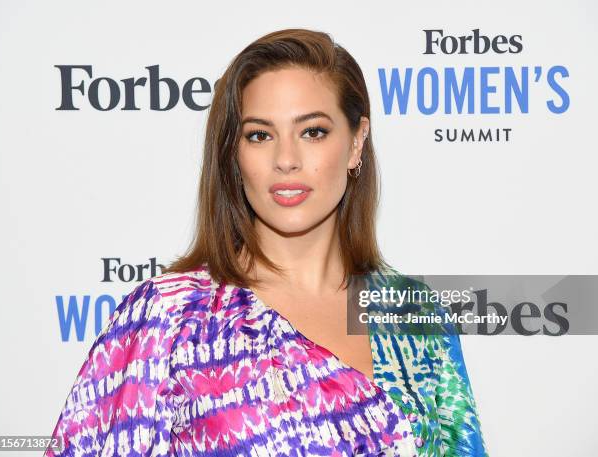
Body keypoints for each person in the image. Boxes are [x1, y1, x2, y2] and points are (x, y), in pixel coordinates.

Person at [45, 28, 488, 457]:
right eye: (260, 135)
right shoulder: (169, 319)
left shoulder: (413, 313)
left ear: (356, 142)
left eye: (312, 131)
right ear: (235, 156)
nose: (286, 160)